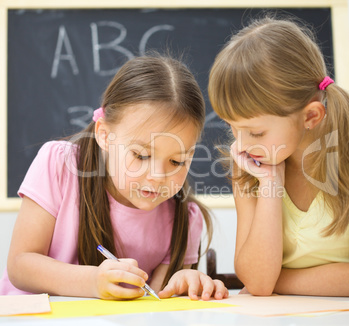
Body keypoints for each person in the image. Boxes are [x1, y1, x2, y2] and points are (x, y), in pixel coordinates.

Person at [1, 54, 228, 301]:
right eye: (141, 155)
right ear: (105, 136)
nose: (157, 177)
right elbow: (20, 265)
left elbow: (155, 303)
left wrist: (184, 282)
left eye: (177, 161)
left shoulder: (184, 218)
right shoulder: (60, 164)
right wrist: (91, 282)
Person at [208, 15, 349, 297]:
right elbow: (258, 282)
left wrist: (273, 283)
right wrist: (270, 185)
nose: (241, 145)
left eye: (256, 133)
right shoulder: (248, 168)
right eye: (232, 128)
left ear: (310, 115)